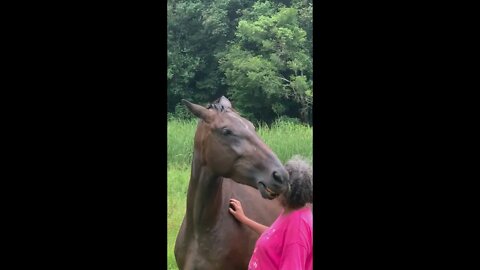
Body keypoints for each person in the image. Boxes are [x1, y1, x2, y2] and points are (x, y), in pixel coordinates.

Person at [229, 155, 313, 270]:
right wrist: (244, 219)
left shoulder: (297, 229)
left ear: (285, 191)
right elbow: (275, 236)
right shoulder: (295, 212)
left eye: (277, 183)